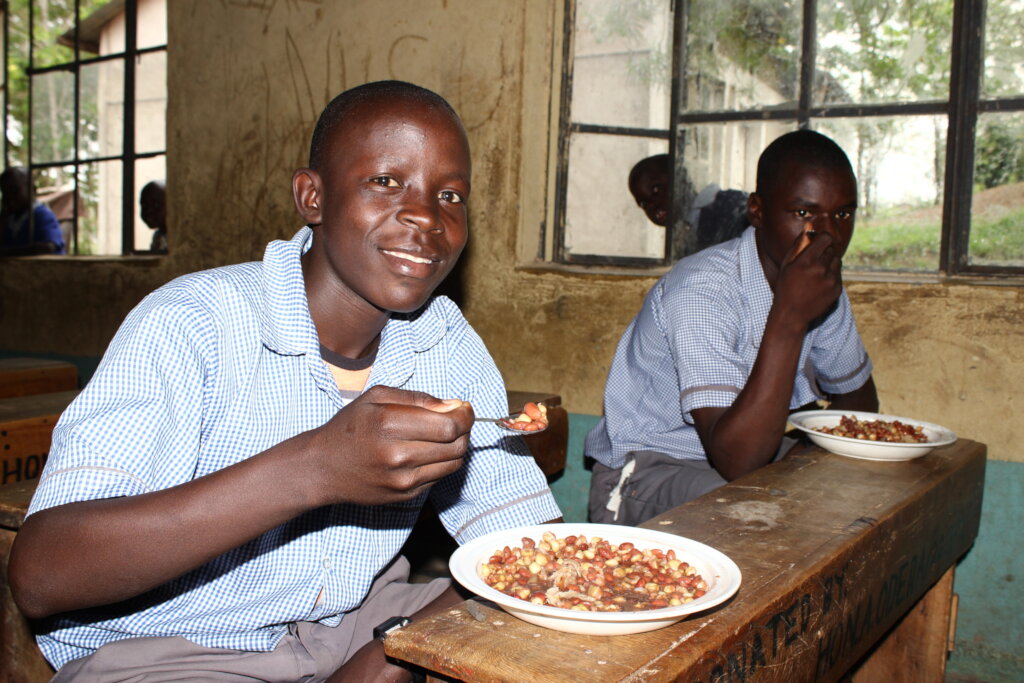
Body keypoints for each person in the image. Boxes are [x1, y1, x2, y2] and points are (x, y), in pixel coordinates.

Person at [9, 80, 562, 682]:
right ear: (312, 197)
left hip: (355, 620)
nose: (427, 216)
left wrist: (394, 651)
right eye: (385, 181)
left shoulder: (444, 339)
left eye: (450, 194)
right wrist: (313, 469)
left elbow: (533, 549)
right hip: (171, 647)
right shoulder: (191, 324)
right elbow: (43, 576)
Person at [589, 130, 879, 526]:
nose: (827, 235)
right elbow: (738, 462)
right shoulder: (701, 290)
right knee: (768, 518)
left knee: (864, 499)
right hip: (648, 472)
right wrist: (790, 317)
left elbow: (859, 407)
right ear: (757, 211)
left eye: (843, 214)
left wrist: (804, 458)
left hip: (747, 460)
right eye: (803, 213)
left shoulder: (818, 281)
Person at [628, 154, 749, 254]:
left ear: (681, 176)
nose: (652, 205)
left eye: (656, 190)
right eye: (644, 203)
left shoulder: (731, 208)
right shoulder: (684, 233)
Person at [0, 166, 66, 255]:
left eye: (14, 190)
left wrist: (6, 253)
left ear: (32, 190)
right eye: (5, 192)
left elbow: (47, 247)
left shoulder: (42, 214)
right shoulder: (10, 218)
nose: (9, 196)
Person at [140, 179, 168, 253]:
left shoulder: (179, 239)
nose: (149, 211)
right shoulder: (158, 236)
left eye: (156, 205)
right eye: (145, 206)